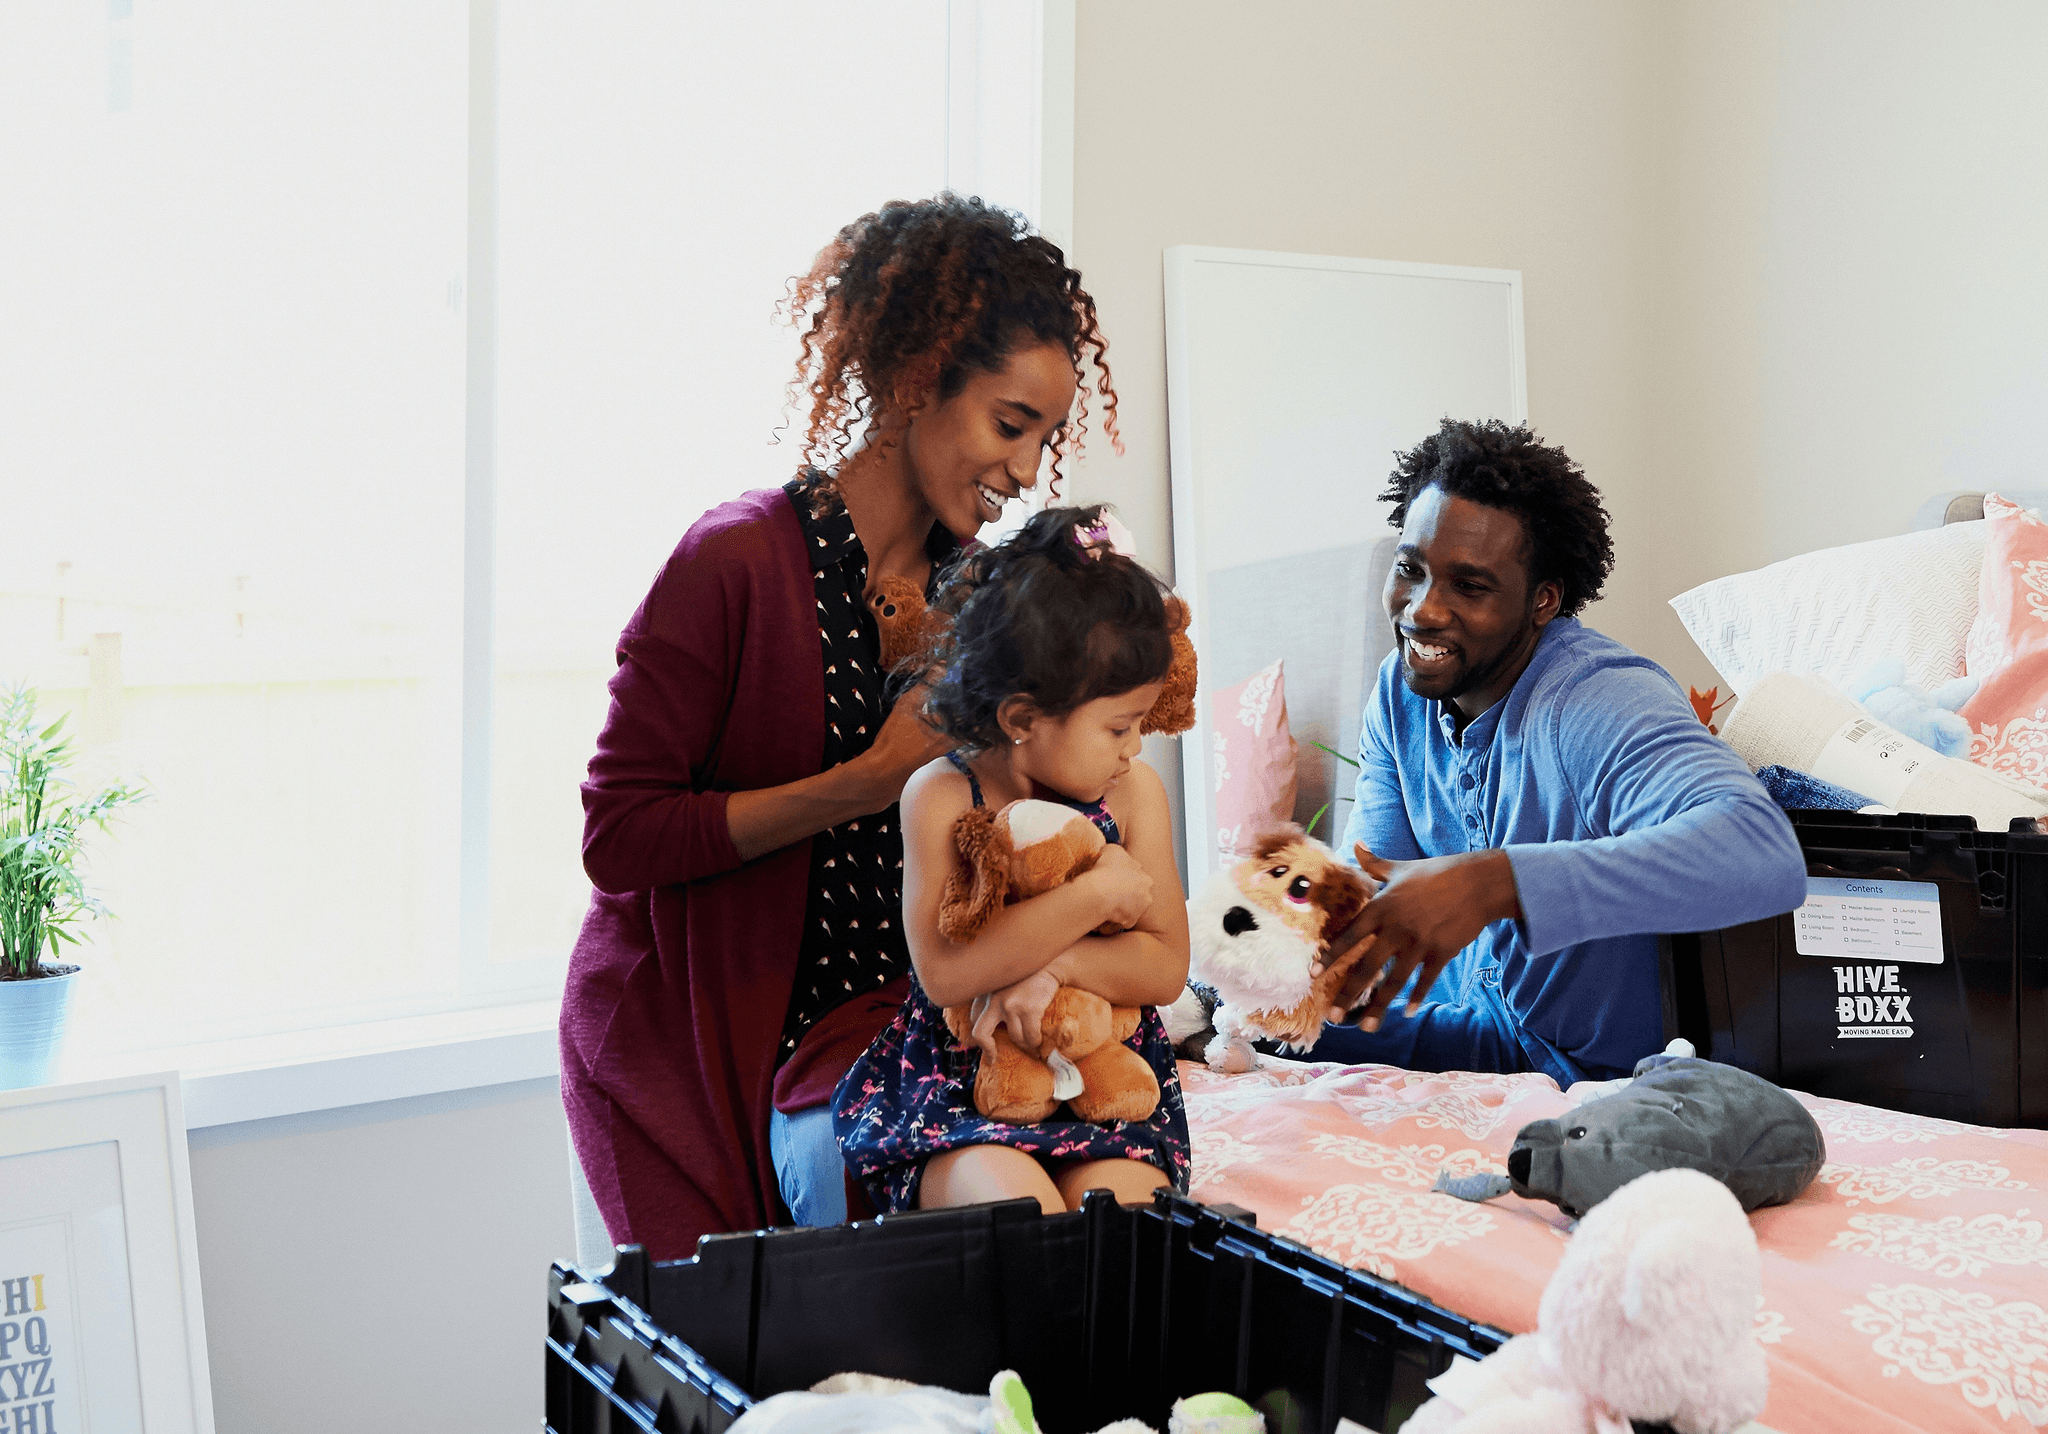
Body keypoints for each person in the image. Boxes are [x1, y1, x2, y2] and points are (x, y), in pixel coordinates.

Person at [560, 195, 1120, 1257]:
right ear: (916, 381)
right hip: (679, 1046)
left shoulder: (977, 597)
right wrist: (863, 782)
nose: (1023, 472)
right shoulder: (732, 563)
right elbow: (618, 837)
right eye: (1009, 425)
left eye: (1043, 439)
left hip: (854, 1057)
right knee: (726, 1385)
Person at [1309, 418, 1807, 1086]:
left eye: (1470, 585)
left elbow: (1763, 852)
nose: (1423, 610)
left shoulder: (1596, 701)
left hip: (1611, 1079)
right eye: (1411, 570)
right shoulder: (1398, 701)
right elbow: (1369, 898)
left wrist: (1496, 883)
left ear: (1544, 600)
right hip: (1483, 1041)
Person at [835, 507, 1193, 1216]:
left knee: (1127, 1230)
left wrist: (1048, 967)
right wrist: (1097, 898)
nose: (1135, 747)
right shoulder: (940, 795)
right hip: (968, 1086)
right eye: (1119, 726)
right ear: (1023, 721)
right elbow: (948, 974)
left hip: (1107, 1091)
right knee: (1018, 1218)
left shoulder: (1131, 794)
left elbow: (1163, 967)